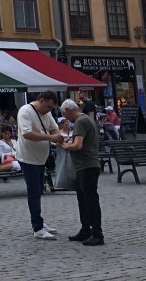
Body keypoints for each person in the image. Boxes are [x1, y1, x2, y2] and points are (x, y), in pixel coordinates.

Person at [16, 90, 62, 240]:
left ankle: (39, 222)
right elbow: (27, 134)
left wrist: (57, 136)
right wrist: (50, 137)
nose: (49, 110)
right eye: (48, 106)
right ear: (41, 100)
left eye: (51, 108)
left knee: (39, 191)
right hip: (28, 159)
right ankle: (37, 227)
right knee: (34, 193)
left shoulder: (46, 113)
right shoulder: (25, 111)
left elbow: (54, 128)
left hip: (41, 159)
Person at [59, 99, 104, 246]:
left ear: (68, 110)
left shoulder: (80, 121)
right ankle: (86, 229)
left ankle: (97, 233)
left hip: (87, 165)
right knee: (83, 200)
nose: (66, 118)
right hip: (85, 165)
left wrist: (65, 146)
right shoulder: (87, 119)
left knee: (90, 200)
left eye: (64, 114)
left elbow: (78, 145)